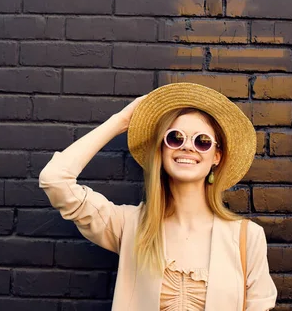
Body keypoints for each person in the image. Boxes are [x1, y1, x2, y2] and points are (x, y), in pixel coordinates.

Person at [39, 83, 277, 310]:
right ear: (162, 150)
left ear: (216, 156)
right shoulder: (130, 226)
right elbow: (55, 180)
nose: (187, 147)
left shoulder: (247, 237)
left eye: (202, 141)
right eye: (175, 137)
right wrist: (120, 122)